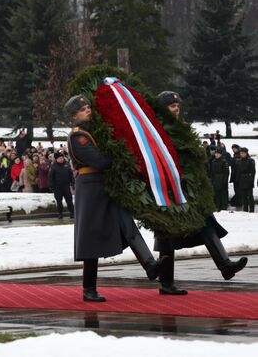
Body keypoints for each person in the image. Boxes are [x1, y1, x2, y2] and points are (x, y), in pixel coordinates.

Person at [65, 94, 166, 302]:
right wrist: (118, 156)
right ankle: (89, 289)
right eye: (83, 110)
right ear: (74, 115)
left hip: (105, 186)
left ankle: (149, 265)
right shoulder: (78, 136)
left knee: (126, 223)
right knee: (90, 239)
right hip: (91, 188)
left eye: (88, 108)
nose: (88, 111)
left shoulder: (94, 132)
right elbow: (98, 161)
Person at [153, 91, 248, 295]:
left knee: (205, 221)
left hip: (186, 187)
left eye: (178, 105)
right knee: (167, 234)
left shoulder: (180, 128)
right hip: (167, 188)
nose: (177, 108)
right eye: (171, 106)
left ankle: (225, 265)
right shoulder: (157, 130)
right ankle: (166, 283)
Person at [48, 152, 74, 219]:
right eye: (60, 158)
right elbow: (51, 177)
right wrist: (51, 186)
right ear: (56, 159)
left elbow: (70, 175)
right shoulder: (54, 166)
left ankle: (72, 213)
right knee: (59, 201)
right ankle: (60, 214)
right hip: (57, 187)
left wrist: (72, 182)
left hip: (66, 186)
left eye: (62, 158)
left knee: (69, 200)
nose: (61, 159)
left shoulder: (66, 165)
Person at [236, 147, 255, 213]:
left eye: (243, 153)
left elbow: (253, 172)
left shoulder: (250, 161)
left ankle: (251, 210)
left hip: (248, 180)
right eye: (241, 153)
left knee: (250, 196)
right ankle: (245, 209)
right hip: (242, 180)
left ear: (246, 153)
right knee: (243, 196)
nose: (241, 154)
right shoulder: (239, 161)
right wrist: (237, 181)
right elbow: (238, 172)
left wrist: (251, 180)